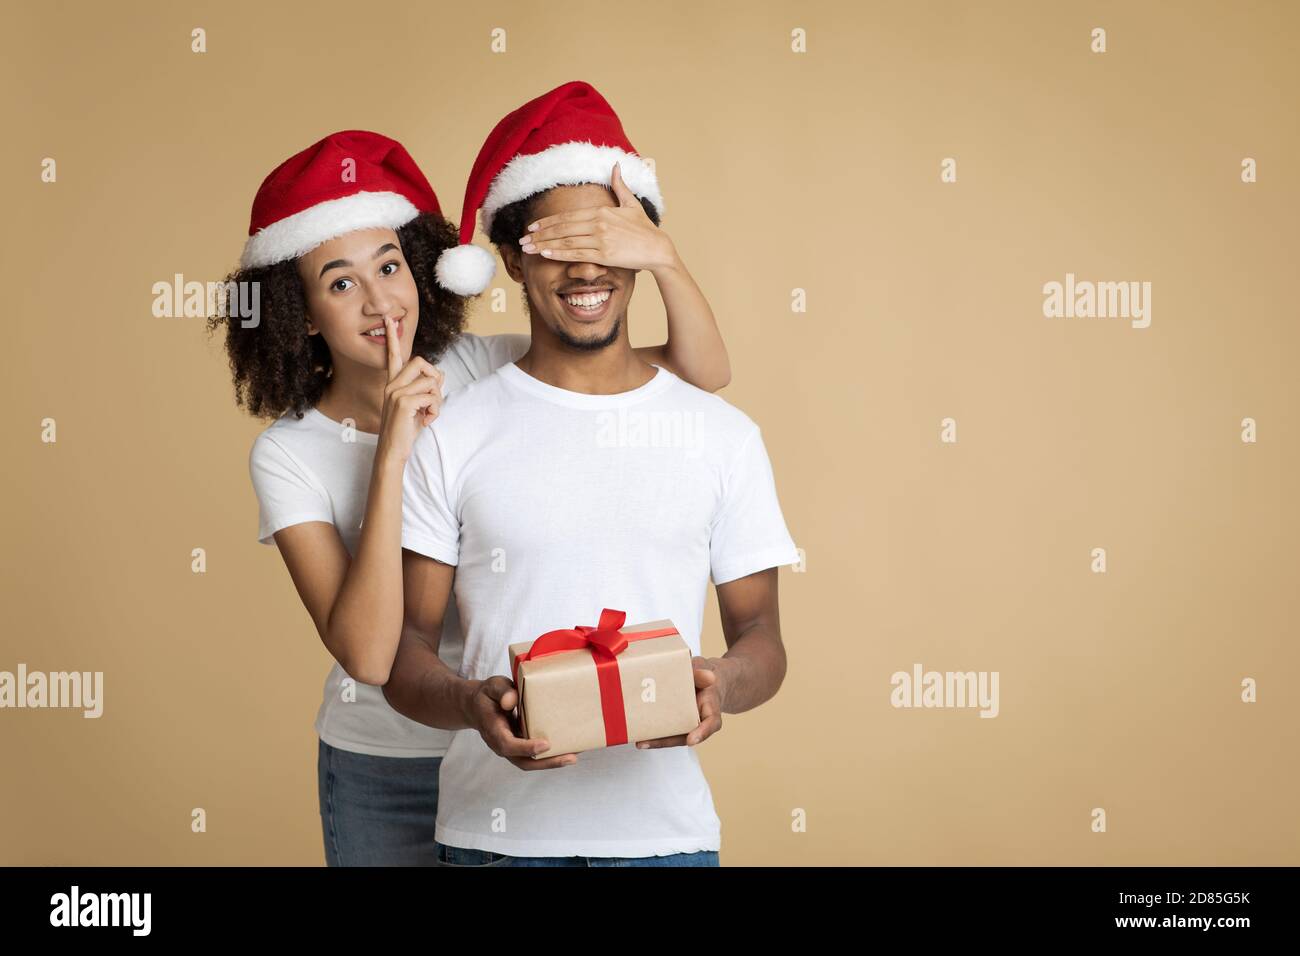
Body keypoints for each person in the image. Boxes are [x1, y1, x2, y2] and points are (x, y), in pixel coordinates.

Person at [208, 126, 731, 865]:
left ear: (422, 271)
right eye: (340, 281)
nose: (379, 301)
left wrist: (663, 260)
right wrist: (394, 449)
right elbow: (366, 654)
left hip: (510, 755)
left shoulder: (484, 367)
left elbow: (696, 376)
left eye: (389, 266)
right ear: (302, 315)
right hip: (380, 763)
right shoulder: (289, 454)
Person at [383, 81, 798, 866]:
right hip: (491, 839)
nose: (585, 272)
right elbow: (403, 653)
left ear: (642, 251)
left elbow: (763, 638)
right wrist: (474, 705)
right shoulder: (453, 434)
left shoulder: (723, 437)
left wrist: (720, 684)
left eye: (606, 244)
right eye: (555, 248)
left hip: (665, 842)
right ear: (507, 259)